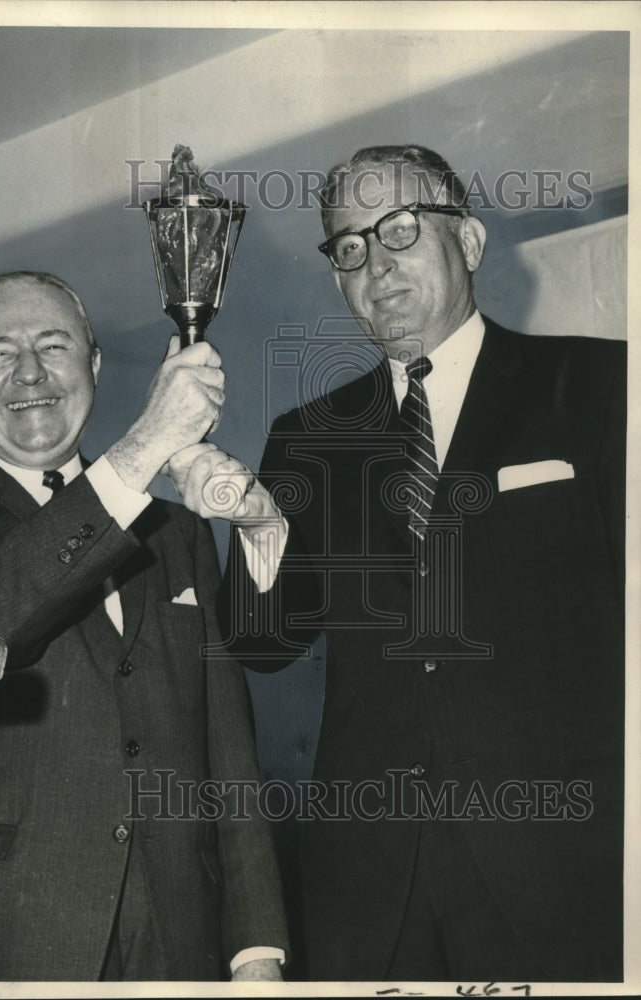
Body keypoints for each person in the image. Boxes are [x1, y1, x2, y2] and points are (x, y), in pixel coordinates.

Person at [167, 145, 626, 982]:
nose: (375, 263)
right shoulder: (307, 437)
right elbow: (264, 646)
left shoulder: (599, 383)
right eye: (348, 245)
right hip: (368, 878)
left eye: (401, 230)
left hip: (567, 860)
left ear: (471, 243)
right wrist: (263, 526)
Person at [0, 271, 288, 982]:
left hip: (175, 936)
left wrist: (255, 948)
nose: (30, 371)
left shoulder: (177, 535)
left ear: (92, 366)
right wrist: (144, 445)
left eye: (54, 346)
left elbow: (227, 751)